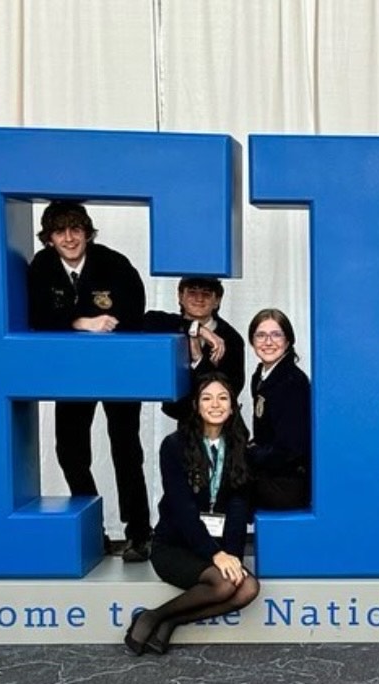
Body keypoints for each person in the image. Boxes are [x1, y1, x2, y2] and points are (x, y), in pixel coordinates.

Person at [26, 200, 152, 561]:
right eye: (60, 231)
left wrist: (107, 323)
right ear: (49, 238)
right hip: (73, 374)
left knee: (126, 449)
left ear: (87, 232)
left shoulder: (114, 263)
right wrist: (81, 322)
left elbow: (133, 311)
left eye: (76, 229)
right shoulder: (41, 266)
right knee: (70, 450)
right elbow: (35, 313)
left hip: (118, 371)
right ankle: (92, 531)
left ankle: (140, 534)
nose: (69, 238)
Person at [125, 373, 259, 655]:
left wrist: (232, 555)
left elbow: (238, 507)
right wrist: (216, 556)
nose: (215, 405)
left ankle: (166, 619)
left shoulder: (238, 446)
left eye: (223, 398)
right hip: (175, 545)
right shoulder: (174, 446)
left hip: (216, 548)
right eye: (207, 398)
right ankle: (152, 616)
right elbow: (183, 510)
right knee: (224, 585)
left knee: (247, 587)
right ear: (196, 405)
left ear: (233, 407)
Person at [144, 277, 245, 421]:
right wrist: (196, 328)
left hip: (218, 423)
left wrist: (199, 360)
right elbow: (147, 320)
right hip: (181, 418)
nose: (199, 298)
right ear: (180, 296)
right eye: (192, 292)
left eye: (206, 293)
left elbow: (231, 389)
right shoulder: (168, 325)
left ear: (217, 300)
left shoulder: (231, 339)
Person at [246, 308, 311, 510]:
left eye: (276, 335)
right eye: (261, 335)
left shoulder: (293, 382)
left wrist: (248, 455)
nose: (268, 342)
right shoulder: (260, 376)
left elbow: (291, 449)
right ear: (252, 341)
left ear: (288, 341)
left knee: (230, 488)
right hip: (268, 471)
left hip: (288, 482)